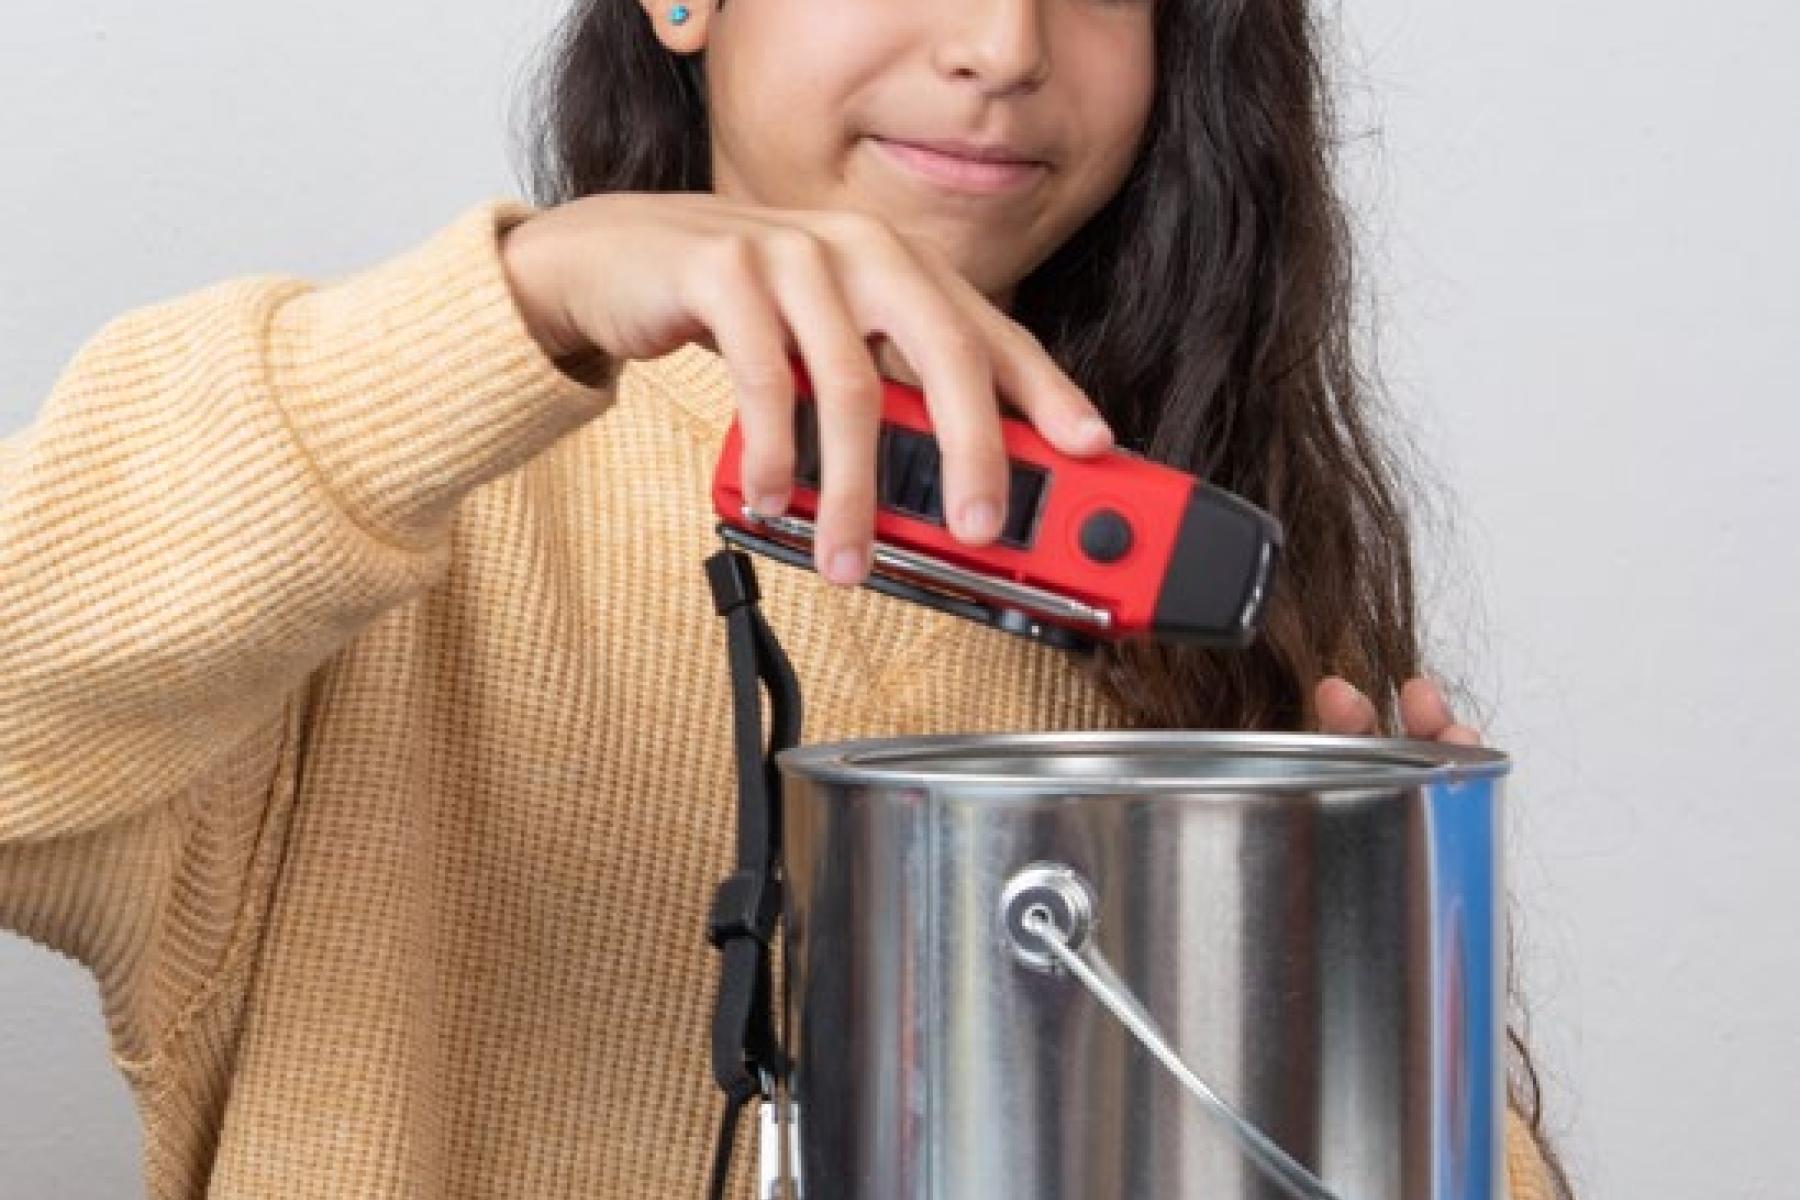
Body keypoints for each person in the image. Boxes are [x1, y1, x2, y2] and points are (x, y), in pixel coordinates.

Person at [0, 1, 1572, 1197]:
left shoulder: (1202, 600)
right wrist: (526, 297)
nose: (1003, 45)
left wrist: (1369, 1065)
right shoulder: (364, 528)